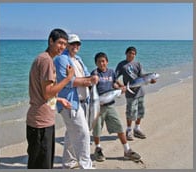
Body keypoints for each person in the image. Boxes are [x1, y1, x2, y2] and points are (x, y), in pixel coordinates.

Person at [26, 28, 75, 169]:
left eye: (65, 44)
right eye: (60, 43)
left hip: (40, 120)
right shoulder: (46, 61)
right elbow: (47, 93)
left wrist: (59, 100)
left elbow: (42, 94)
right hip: (40, 123)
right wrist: (68, 78)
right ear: (50, 41)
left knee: (38, 164)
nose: (62, 47)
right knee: (42, 165)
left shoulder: (43, 58)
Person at [54, 34, 98, 169]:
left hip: (83, 102)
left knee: (71, 133)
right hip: (70, 103)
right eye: (73, 44)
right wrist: (89, 80)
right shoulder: (61, 59)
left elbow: (85, 75)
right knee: (83, 134)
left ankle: (68, 162)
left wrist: (92, 78)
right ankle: (86, 166)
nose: (76, 46)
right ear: (67, 45)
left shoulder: (78, 59)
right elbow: (67, 82)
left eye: (78, 44)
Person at [91, 52, 141, 162]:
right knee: (97, 129)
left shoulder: (111, 72)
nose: (101, 63)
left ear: (107, 62)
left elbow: (114, 83)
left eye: (103, 61)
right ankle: (98, 149)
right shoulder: (94, 73)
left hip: (110, 105)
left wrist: (121, 88)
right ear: (96, 63)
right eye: (99, 61)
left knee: (119, 126)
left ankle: (127, 150)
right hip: (98, 107)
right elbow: (91, 89)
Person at [115, 46, 156, 141]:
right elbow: (115, 77)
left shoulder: (138, 64)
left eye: (133, 54)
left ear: (135, 55)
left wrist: (151, 80)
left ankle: (137, 128)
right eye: (130, 53)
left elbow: (143, 77)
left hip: (140, 92)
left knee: (140, 112)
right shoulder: (121, 65)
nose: (131, 55)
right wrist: (121, 86)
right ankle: (129, 130)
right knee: (130, 112)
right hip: (130, 93)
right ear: (126, 53)